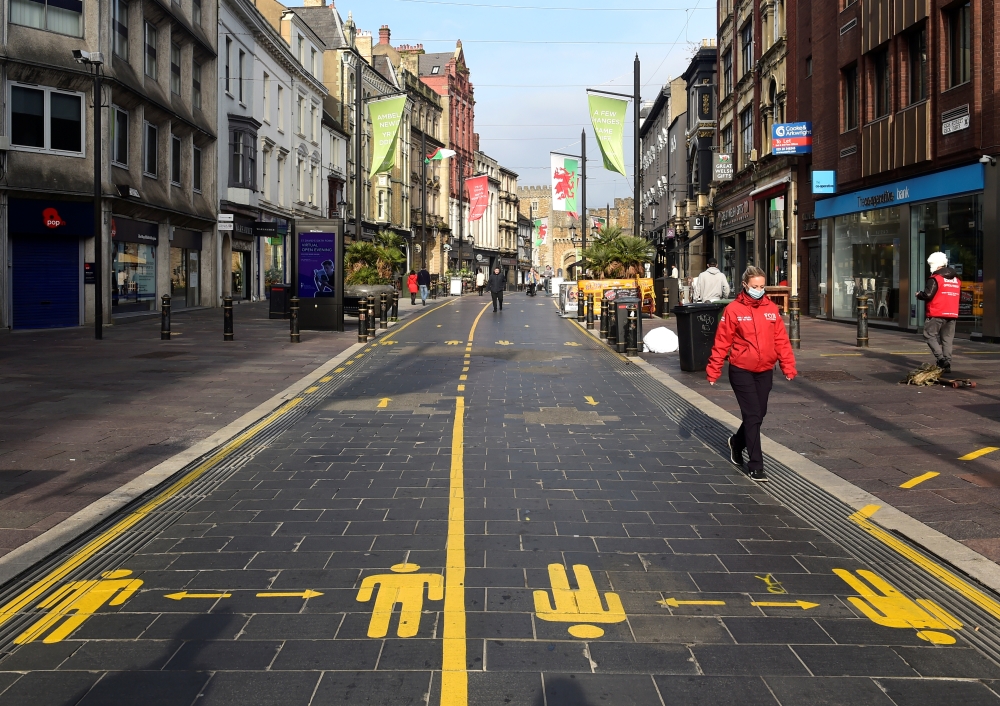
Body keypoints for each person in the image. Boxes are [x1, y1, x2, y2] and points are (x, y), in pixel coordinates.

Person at [706, 266, 797, 482]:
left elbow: (781, 340)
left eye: (762, 286)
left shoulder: (771, 309)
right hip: (741, 370)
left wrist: (788, 365)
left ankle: (737, 443)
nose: (759, 290)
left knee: (759, 413)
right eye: (754, 286)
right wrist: (714, 369)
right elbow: (722, 341)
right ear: (745, 285)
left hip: (765, 370)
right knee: (753, 414)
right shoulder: (733, 310)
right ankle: (756, 465)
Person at [916, 251, 961, 373]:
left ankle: (941, 360)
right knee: (947, 339)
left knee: (929, 335)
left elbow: (928, 294)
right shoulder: (956, 280)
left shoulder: (935, 278)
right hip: (952, 313)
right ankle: (947, 364)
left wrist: (919, 294)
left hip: (937, 312)